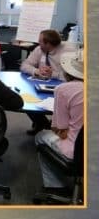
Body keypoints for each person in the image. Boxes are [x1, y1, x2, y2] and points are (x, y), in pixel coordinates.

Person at [35, 51, 84, 191]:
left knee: (41, 136)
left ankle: (55, 186)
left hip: (77, 152)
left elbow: (60, 131)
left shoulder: (64, 89)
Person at [21, 29, 68, 134]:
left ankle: (48, 126)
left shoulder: (66, 53)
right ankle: (42, 124)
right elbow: (24, 66)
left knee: (60, 105)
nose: (38, 43)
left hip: (62, 87)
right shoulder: (39, 50)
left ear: (48, 44)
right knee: (28, 101)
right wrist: (36, 71)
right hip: (41, 84)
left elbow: (72, 77)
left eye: (40, 41)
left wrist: (54, 74)